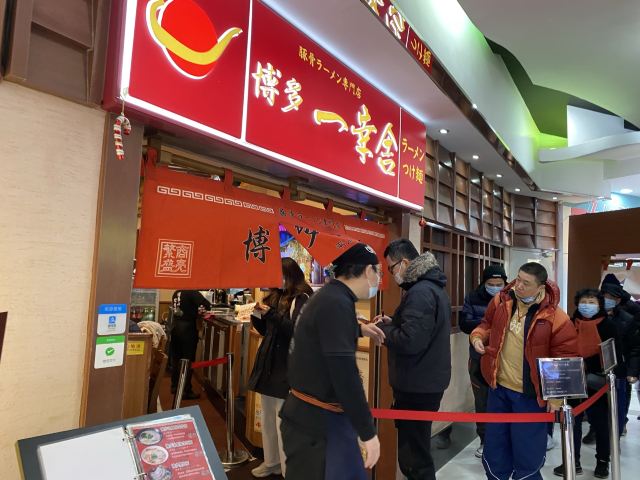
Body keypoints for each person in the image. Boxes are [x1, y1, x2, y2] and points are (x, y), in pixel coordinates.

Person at [280, 243, 382, 479]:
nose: (378, 279)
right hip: (318, 425)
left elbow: (320, 336)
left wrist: (358, 329)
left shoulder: (329, 296)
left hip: (307, 417)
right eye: (378, 272)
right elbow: (345, 374)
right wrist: (368, 432)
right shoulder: (336, 302)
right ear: (368, 271)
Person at [470, 262, 578, 480]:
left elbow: (564, 358)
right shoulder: (501, 301)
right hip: (498, 388)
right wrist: (478, 336)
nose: (518, 285)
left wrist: (556, 397)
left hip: (530, 395)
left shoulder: (556, 317)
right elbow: (486, 324)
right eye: (518, 279)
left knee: (527, 453)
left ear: (540, 287)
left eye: (526, 283)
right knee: (495, 449)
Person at [375, 239, 451, 480]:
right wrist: (394, 322)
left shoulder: (420, 292)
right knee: (416, 452)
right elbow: (419, 329)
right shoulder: (430, 287)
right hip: (424, 381)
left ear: (405, 263)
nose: (392, 274)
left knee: (414, 459)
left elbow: (411, 341)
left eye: (391, 268)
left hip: (417, 386)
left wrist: (382, 331)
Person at [247, 258, 313, 478]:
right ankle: (271, 462)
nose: (275, 279)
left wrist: (272, 315)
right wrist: (257, 315)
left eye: (279, 275)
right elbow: (267, 331)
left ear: (290, 275)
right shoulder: (275, 296)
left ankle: (289, 470)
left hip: (288, 367)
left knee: (283, 422)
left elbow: (298, 332)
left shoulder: (302, 298)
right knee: (268, 419)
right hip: (269, 365)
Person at [553, 289, 623, 478]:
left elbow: (614, 355)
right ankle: (572, 461)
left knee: (601, 424)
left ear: (599, 304)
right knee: (571, 422)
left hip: (598, 382)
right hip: (572, 378)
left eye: (592, 302)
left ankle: (602, 462)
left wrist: (587, 364)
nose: (587, 305)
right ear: (577, 303)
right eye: (584, 301)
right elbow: (562, 347)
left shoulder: (609, 325)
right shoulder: (569, 323)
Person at [458, 264, 507, 458]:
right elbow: (464, 323)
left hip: (505, 359)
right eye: (491, 284)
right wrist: (489, 325)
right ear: (484, 283)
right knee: (482, 401)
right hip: (479, 357)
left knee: (505, 399)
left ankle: (504, 441)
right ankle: (485, 440)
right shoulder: (473, 297)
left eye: (499, 283)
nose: (495, 287)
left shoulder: (510, 298)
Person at [169, 290, 211, 399]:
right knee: (188, 360)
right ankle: (186, 390)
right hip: (187, 329)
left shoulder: (176, 292)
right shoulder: (192, 292)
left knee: (176, 359)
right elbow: (207, 305)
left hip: (175, 327)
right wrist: (199, 310)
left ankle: (174, 386)